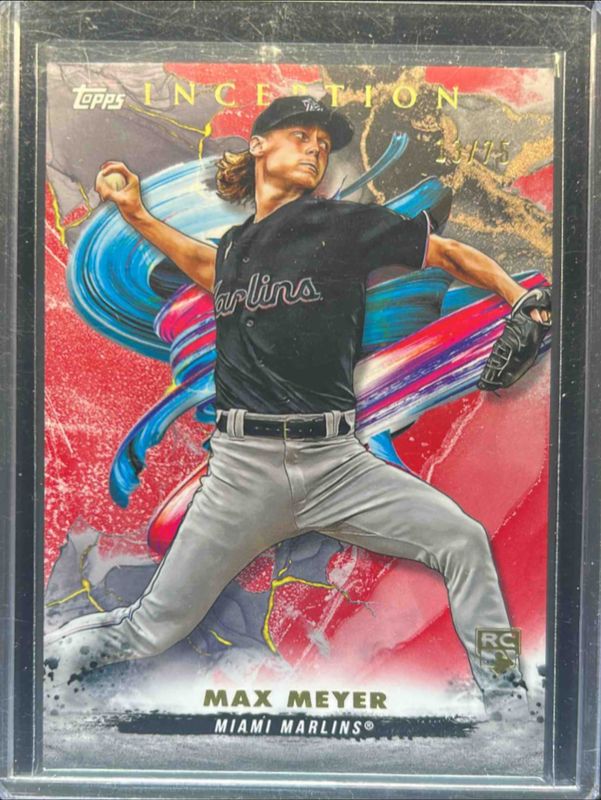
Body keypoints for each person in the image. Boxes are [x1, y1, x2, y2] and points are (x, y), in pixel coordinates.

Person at [45, 96, 550, 717]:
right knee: (152, 628)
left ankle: (506, 694)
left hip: (338, 464)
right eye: (300, 134)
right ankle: (44, 667)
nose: (315, 147)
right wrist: (135, 213)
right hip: (242, 474)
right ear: (258, 145)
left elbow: (448, 255)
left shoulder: (346, 225)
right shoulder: (236, 248)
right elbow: (206, 266)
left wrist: (518, 297)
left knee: (463, 540)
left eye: (323, 142)